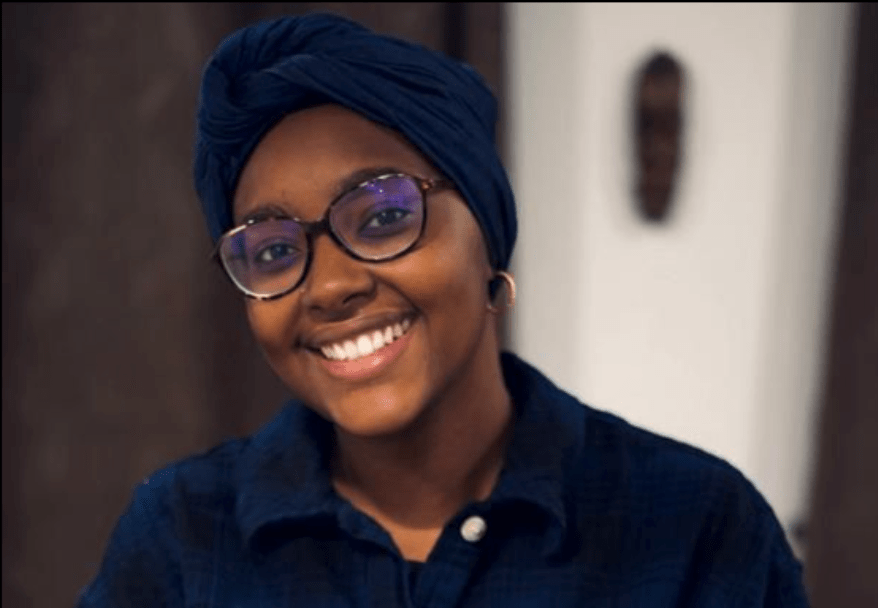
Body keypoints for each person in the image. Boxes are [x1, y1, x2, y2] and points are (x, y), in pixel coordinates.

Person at [78, 12, 809, 607]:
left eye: (382, 216)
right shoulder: (182, 539)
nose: (328, 287)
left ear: (486, 236)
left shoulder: (695, 529)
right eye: (271, 251)